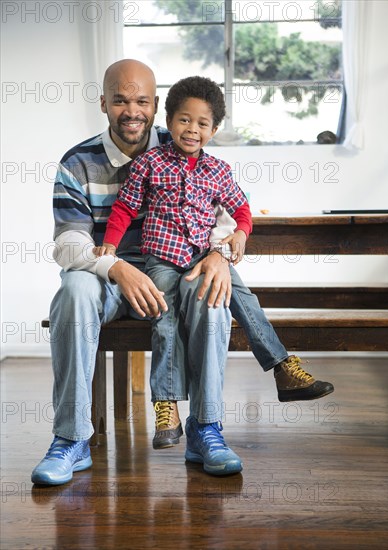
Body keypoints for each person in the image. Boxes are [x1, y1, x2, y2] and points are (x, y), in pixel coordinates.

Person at [31, 59, 333, 486]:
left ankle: (206, 429)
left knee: (214, 295)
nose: (131, 110)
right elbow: (68, 245)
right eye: (120, 100)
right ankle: (71, 439)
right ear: (103, 103)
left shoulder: (181, 140)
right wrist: (117, 266)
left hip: (178, 268)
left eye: (140, 101)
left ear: (156, 106)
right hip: (107, 277)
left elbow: (227, 208)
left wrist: (220, 256)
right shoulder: (77, 163)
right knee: (73, 291)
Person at [95, 75, 253, 466]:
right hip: (161, 264)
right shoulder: (155, 161)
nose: (192, 129)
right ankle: (168, 409)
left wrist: (235, 240)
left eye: (202, 124)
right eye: (184, 121)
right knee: (165, 316)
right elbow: (125, 209)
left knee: (217, 305)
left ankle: (208, 426)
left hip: (204, 261)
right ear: (169, 120)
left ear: (214, 130)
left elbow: (236, 211)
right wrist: (111, 247)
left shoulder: (215, 169)